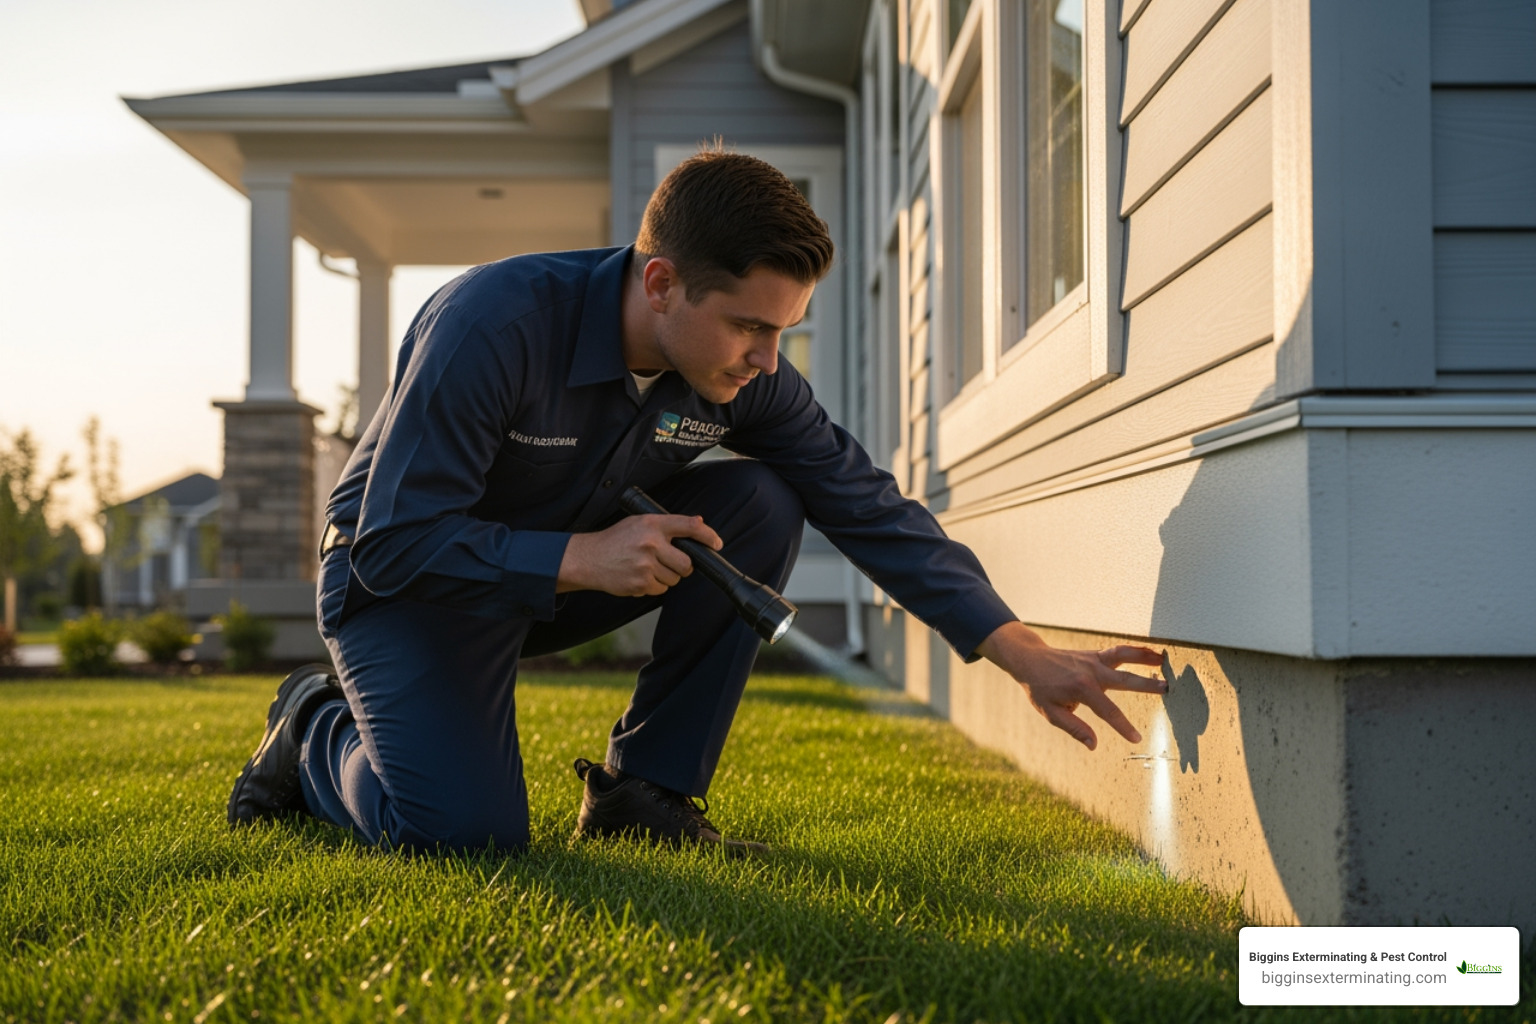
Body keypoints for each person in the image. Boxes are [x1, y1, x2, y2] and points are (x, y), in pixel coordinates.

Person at [227, 149, 1166, 854]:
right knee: (465, 839)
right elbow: (394, 542)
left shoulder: (745, 376)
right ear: (662, 282)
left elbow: (863, 502)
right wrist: (583, 558)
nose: (768, 359)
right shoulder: (493, 324)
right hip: (404, 589)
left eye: (785, 331)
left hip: (551, 583)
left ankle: (647, 796)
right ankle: (312, 725)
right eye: (751, 326)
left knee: (762, 496)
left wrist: (1021, 651)